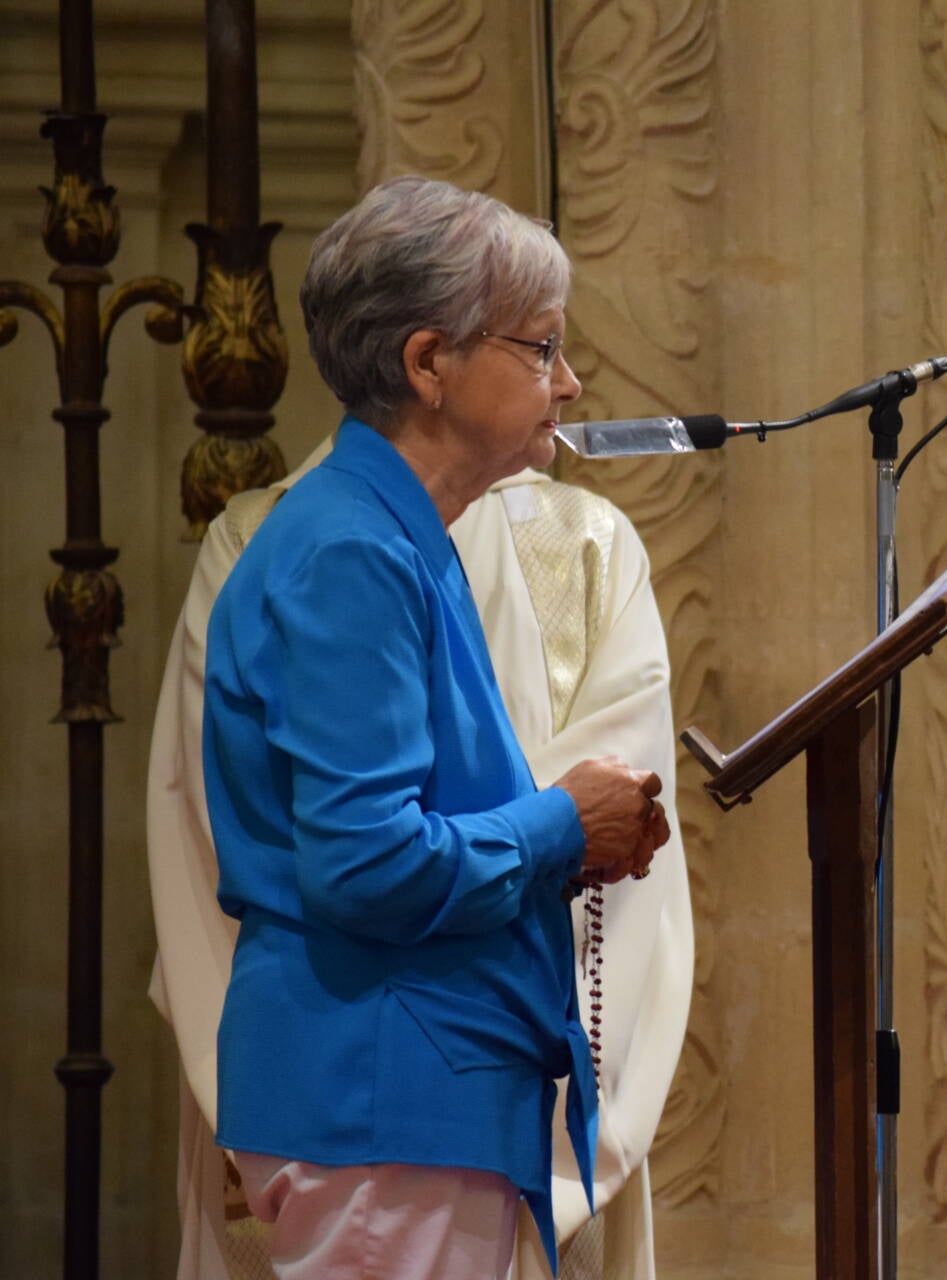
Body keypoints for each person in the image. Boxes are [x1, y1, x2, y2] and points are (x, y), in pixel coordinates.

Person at [178, 175, 672, 1278]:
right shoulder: (352, 549)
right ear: (427, 363)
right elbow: (368, 865)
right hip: (377, 1089)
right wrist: (558, 824)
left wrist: (577, 829)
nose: (570, 379)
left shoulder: (400, 534)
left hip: (411, 1088)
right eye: (540, 348)